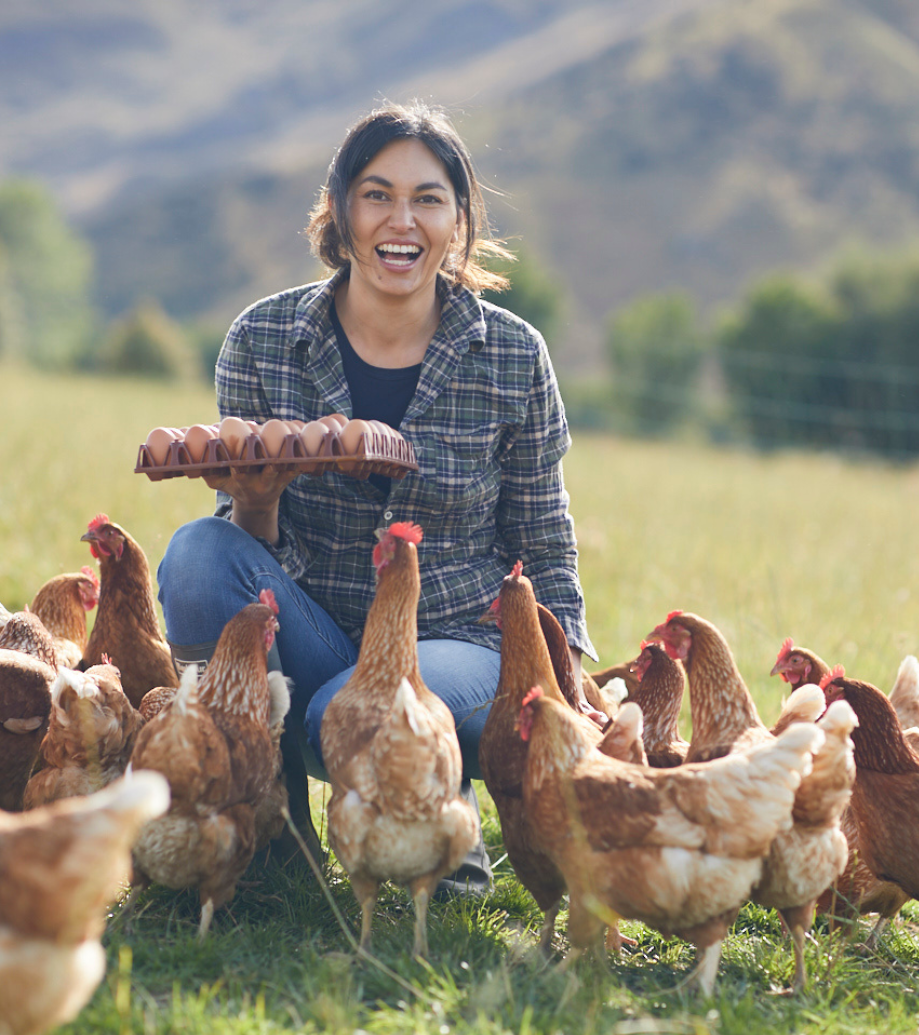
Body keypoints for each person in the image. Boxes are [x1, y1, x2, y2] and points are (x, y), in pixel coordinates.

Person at [156, 101, 597, 892]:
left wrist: (561, 679)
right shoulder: (263, 338)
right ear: (340, 211)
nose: (403, 220)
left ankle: (439, 823)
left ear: (459, 220)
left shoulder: (511, 355)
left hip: (460, 639)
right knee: (197, 556)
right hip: (315, 625)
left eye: (428, 198)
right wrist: (258, 502)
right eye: (377, 194)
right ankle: (271, 840)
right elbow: (244, 557)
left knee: (348, 714)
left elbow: (544, 536)